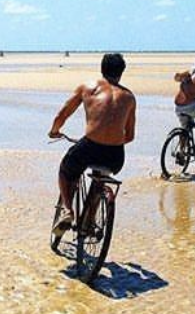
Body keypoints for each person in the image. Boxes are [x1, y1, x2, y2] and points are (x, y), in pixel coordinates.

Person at [48, 53, 136, 235]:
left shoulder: (87, 87)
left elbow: (62, 115)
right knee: (100, 177)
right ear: (121, 72)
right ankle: (88, 222)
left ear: (102, 69)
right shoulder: (129, 97)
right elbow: (130, 136)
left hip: (90, 147)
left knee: (66, 170)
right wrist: (112, 140)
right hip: (116, 156)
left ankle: (67, 209)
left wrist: (54, 131)